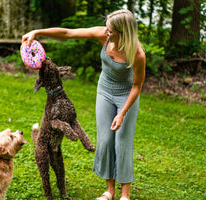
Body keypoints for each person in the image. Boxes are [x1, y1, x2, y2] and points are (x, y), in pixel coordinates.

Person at [22, 9, 146, 200]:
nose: (106, 32)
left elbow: (137, 86)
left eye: (111, 31)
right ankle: (109, 191)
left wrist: (122, 113)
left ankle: (125, 195)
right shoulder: (103, 36)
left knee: (122, 142)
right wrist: (38, 32)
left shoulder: (137, 53)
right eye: (106, 28)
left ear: (123, 33)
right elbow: (68, 33)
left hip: (126, 95)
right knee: (105, 141)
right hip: (105, 92)